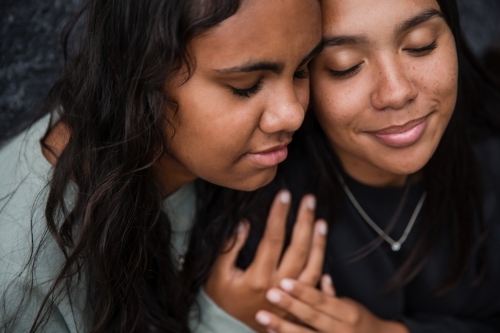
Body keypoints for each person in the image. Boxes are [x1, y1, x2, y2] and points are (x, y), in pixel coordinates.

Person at [0, 0, 325, 332]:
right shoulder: (19, 276)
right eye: (245, 86)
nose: (292, 114)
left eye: (302, 70)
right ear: (137, 72)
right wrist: (222, 322)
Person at [197, 0, 500, 332]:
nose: (396, 93)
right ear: (301, 77)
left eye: (420, 45)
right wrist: (224, 318)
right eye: (346, 66)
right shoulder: (252, 203)